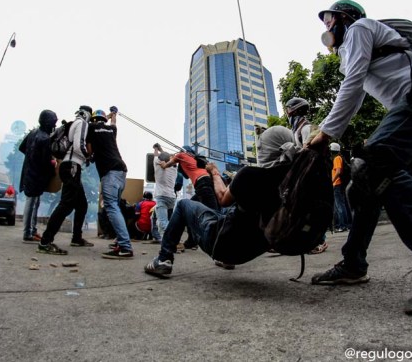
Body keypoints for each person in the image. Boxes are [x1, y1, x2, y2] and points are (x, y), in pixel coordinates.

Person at [307, 0, 412, 314]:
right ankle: (354, 263)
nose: (326, 28)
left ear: (344, 18)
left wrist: (326, 132)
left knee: (377, 161)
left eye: (328, 20)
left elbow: (351, 85)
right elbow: (355, 93)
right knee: (366, 181)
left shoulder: (360, 29)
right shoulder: (358, 47)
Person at [144, 125, 296, 278]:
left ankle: (163, 259)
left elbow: (223, 198)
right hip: (251, 251)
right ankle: (209, 251)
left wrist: (215, 172)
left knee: (183, 205)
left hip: (223, 246)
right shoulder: (294, 185)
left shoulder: (251, 175)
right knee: (217, 212)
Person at [38, 106, 93, 255]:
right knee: (66, 205)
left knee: (81, 204)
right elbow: (78, 146)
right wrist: (88, 156)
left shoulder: (73, 123)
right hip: (72, 166)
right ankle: (45, 241)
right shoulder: (82, 123)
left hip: (69, 166)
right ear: (88, 114)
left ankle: (76, 238)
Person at [86, 107, 134, 259]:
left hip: (110, 172)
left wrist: (90, 156)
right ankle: (120, 240)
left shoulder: (91, 128)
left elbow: (88, 151)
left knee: (111, 206)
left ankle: (125, 246)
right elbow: (113, 123)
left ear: (93, 119)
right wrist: (114, 114)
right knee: (116, 206)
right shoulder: (111, 130)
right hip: (121, 170)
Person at [285, 97, 327, 253]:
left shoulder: (306, 127)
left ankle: (319, 241)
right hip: (303, 171)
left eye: (288, 109)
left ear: (294, 110)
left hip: (313, 172)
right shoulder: (296, 129)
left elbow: (310, 152)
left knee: (312, 208)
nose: (287, 113)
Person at [159, 145, 219, 250]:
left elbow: (167, 164)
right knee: (188, 211)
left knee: (214, 216)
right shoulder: (196, 159)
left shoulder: (181, 155)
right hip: (209, 184)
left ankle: (223, 251)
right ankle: (191, 241)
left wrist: (164, 164)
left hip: (203, 184)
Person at [19, 110, 58, 243]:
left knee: (34, 201)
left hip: (29, 171)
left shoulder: (33, 132)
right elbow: (46, 161)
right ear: (48, 122)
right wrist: (53, 164)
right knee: (32, 202)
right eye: (53, 122)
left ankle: (32, 230)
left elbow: (22, 147)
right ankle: (28, 232)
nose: (54, 125)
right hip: (36, 175)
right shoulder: (45, 138)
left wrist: (32, 157)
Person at [152, 143, 177, 238]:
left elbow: (156, 156)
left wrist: (156, 149)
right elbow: (167, 158)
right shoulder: (174, 168)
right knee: (164, 221)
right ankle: (164, 240)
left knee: (163, 221)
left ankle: (173, 239)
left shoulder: (157, 164)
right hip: (171, 198)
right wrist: (161, 149)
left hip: (161, 196)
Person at [330, 142, 352, 232]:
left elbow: (338, 171)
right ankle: (346, 224)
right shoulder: (338, 157)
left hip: (337, 184)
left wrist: (332, 181)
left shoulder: (337, 158)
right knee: (342, 205)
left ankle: (342, 225)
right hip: (339, 184)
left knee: (339, 205)